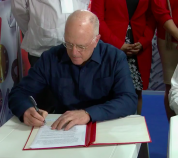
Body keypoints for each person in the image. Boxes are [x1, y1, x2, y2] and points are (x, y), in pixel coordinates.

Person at [8, 10, 137, 131]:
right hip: (63, 130)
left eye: (81, 46)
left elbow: (128, 100)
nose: (74, 52)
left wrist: (88, 114)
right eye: (69, 44)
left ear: (96, 40)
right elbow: (19, 93)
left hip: (104, 125)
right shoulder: (51, 58)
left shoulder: (114, 57)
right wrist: (25, 110)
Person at [11, 0, 92, 112]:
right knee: (47, 106)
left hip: (77, 50)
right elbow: (18, 8)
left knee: (79, 104)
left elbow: (84, 2)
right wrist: (37, 30)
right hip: (42, 50)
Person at [90, 0, 156, 115]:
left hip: (138, 47)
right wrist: (118, 44)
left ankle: (135, 128)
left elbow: (152, 16)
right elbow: (96, 19)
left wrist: (143, 42)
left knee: (136, 92)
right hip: (110, 47)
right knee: (109, 93)